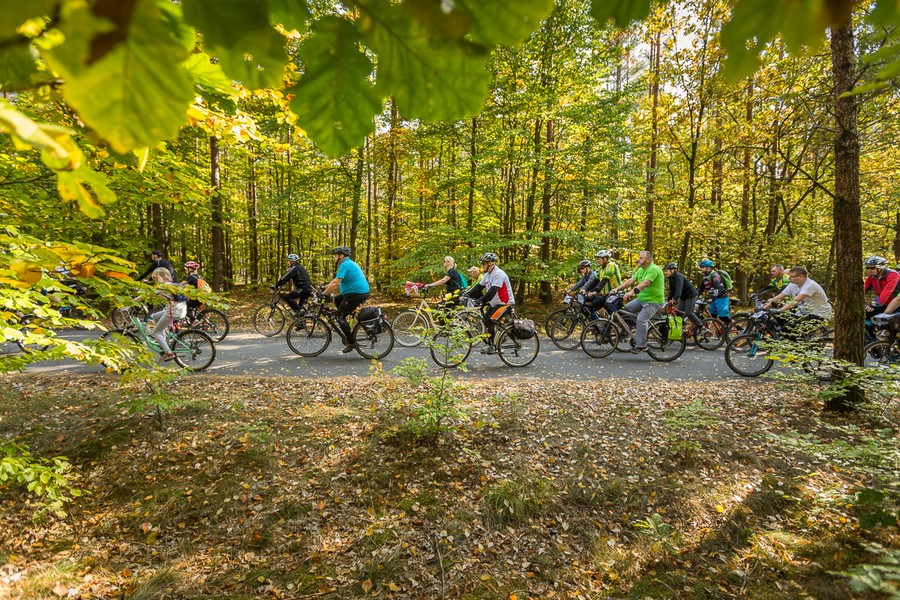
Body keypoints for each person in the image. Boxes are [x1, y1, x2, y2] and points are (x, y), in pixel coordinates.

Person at [610, 250, 665, 353]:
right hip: (642, 299)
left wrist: (631, 292)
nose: (638, 259)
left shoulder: (653, 269)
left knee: (641, 319)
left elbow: (645, 283)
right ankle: (641, 330)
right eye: (639, 257)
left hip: (654, 301)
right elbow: (631, 280)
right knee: (627, 308)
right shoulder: (641, 270)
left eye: (641, 258)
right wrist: (617, 289)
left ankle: (642, 345)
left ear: (648, 260)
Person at [463, 252, 515, 354]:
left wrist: (480, 300)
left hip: (505, 303)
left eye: (483, 263)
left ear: (491, 263)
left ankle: (493, 346)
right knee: (485, 320)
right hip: (495, 303)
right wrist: (467, 294)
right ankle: (498, 339)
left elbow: (492, 292)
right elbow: (479, 287)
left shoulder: (498, 274)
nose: (482, 265)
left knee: (491, 321)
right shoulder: (487, 274)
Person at [322, 246, 370, 353]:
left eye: (335, 256)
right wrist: (326, 287)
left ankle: (351, 341)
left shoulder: (345, 265)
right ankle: (344, 319)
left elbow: (336, 283)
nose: (334, 258)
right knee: (337, 299)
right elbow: (335, 280)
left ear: (341, 256)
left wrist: (324, 294)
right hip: (355, 293)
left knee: (340, 317)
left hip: (356, 293)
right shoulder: (348, 263)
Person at [764, 265, 833, 337]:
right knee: (782, 322)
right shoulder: (792, 285)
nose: (789, 278)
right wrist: (764, 308)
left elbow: (795, 301)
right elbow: (779, 297)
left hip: (818, 313)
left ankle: (794, 346)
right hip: (804, 312)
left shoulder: (810, 285)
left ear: (800, 277)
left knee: (790, 328)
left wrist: (779, 310)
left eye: (791, 276)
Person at [147, 267, 180, 362]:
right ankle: (163, 342)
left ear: (159, 277)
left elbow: (147, 294)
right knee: (155, 316)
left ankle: (168, 353)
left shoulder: (163, 286)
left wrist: (132, 302)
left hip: (173, 311)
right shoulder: (172, 284)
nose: (155, 281)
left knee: (155, 332)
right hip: (179, 309)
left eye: (155, 279)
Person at [863, 256, 899, 338]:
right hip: (884, 303)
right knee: (864, 314)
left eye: (872, 268)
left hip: (896, 304)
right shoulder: (872, 277)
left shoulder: (892, 275)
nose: (869, 270)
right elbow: (863, 289)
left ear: (881, 267)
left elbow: (887, 291)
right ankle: (872, 339)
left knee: (892, 327)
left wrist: (877, 303)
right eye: (867, 268)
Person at [663, 262, 703, 330]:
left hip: (691, 295)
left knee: (689, 313)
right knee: (679, 313)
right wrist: (668, 299)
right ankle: (682, 330)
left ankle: (701, 327)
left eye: (667, 271)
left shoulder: (679, 277)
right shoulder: (671, 278)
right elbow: (672, 290)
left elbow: (679, 290)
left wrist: (675, 299)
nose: (666, 272)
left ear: (672, 270)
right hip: (683, 296)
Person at [273, 253, 314, 318]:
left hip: (303, 288)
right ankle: (301, 324)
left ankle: (300, 310)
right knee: (300, 308)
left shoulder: (295, 268)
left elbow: (286, 277)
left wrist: (276, 285)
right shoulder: (299, 267)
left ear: (292, 261)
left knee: (289, 297)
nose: (288, 263)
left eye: (288, 261)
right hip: (307, 288)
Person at [586, 249, 622, 320]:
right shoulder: (601, 270)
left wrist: (595, 292)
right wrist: (585, 290)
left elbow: (604, 280)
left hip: (616, 293)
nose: (597, 260)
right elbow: (595, 281)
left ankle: (610, 322)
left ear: (605, 259)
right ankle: (608, 322)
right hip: (608, 295)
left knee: (596, 303)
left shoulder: (611, 265)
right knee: (595, 303)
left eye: (599, 259)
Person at [698, 258, 731, 325]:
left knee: (723, 317)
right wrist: (695, 296)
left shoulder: (714, 275)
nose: (701, 268)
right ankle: (720, 330)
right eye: (700, 267)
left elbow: (718, 288)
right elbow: (701, 288)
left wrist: (711, 298)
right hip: (714, 299)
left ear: (708, 268)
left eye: (702, 267)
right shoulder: (705, 276)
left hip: (722, 298)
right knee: (712, 316)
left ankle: (738, 328)